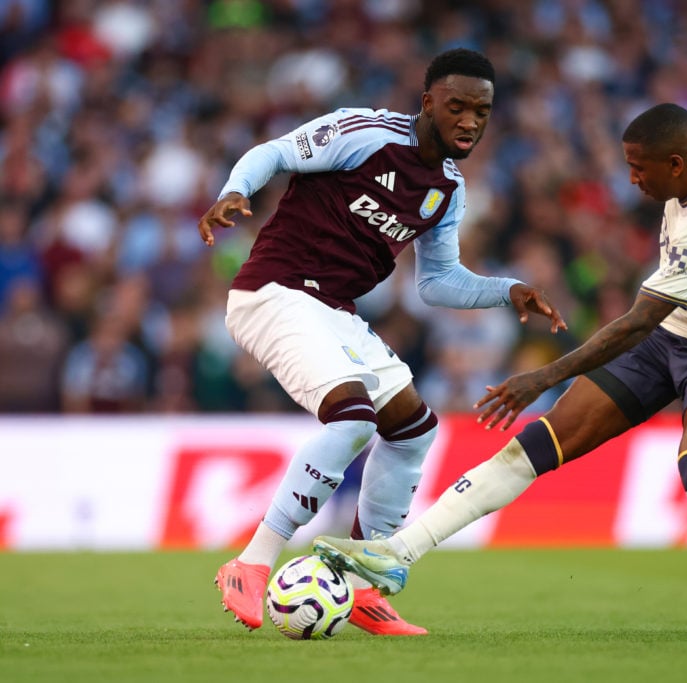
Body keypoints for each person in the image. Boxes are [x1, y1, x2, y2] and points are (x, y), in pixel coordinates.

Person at [313, 99, 687, 639]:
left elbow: (636, 324)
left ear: (677, 165)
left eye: (640, 168)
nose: (630, 179)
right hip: (675, 330)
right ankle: (397, 554)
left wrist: (543, 376)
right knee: (531, 449)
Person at [200, 48, 566, 636]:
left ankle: (367, 587)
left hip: (333, 311)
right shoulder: (366, 133)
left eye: (482, 111)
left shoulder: (447, 189)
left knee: (413, 428)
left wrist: (508, 290)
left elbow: (438, 283)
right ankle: (251, 562)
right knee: (352, 420)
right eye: (457, 107)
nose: (470, 121)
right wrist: (234, 189)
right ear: (427, 103)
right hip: (274, 291)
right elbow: (276, 151)